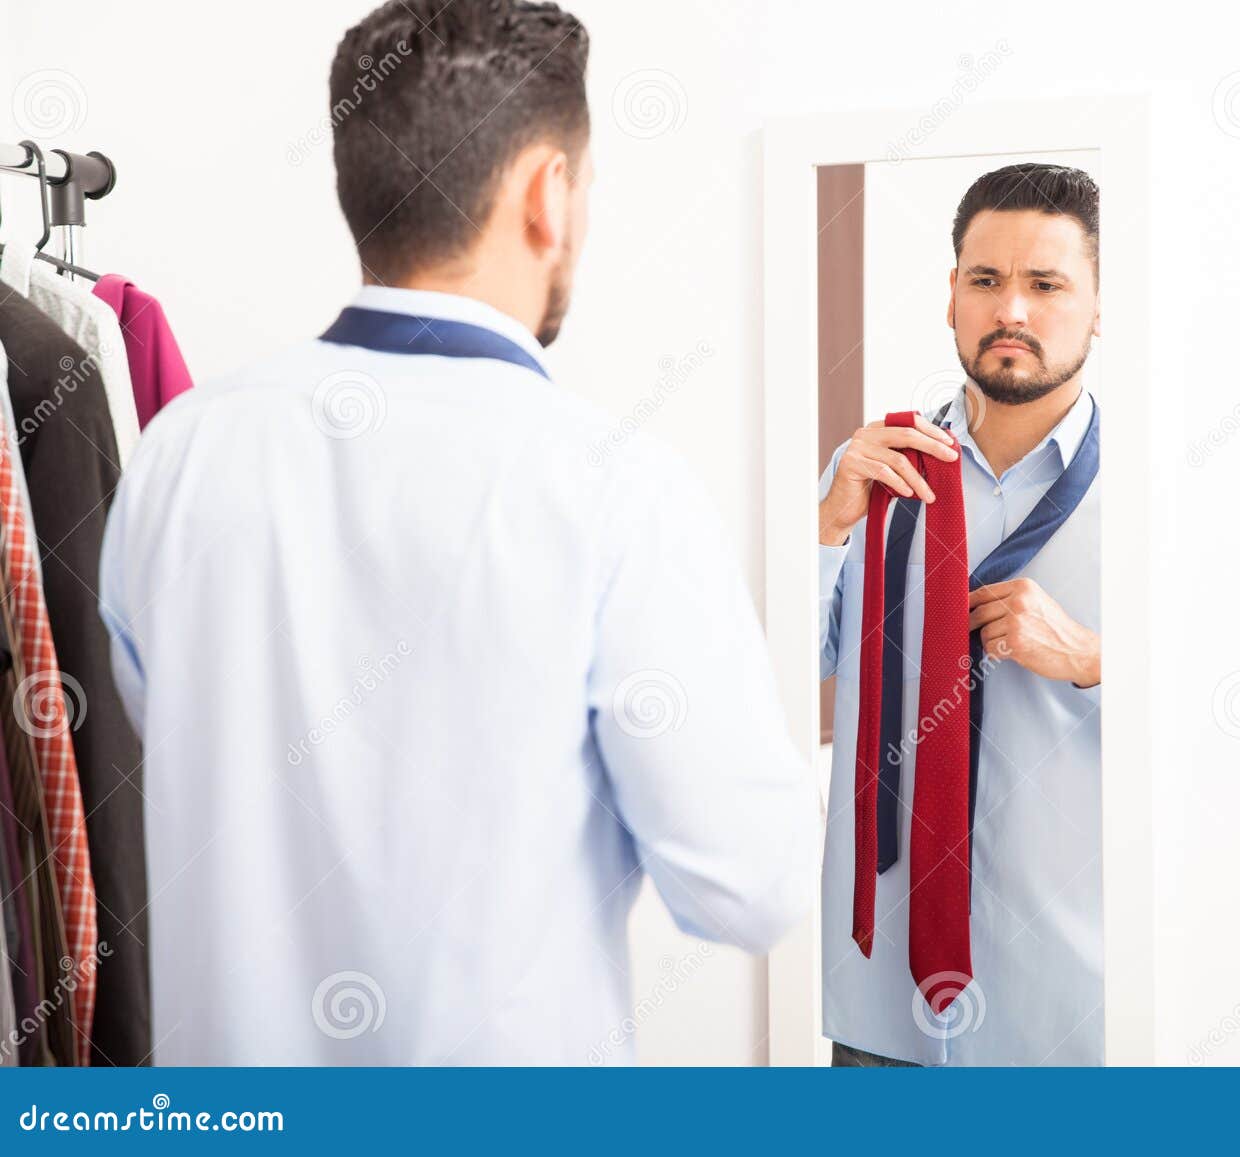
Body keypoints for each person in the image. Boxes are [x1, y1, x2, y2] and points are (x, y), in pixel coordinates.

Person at [98, 0, 819, 1064]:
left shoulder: (179, 452)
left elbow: (190, 744)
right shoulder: (614, 486)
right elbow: (749, 888)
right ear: (550, 194)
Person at [817, 163, 1103, 1066]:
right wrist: (826, 526)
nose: (1010, 309)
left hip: (1070, 1004)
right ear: (951, 297)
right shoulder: (873, 473)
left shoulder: (1156, 504)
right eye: (986, 280)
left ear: (1098, 305)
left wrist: (1095, 658)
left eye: (1046, 284)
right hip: (880, 1006)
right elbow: (774, 670)